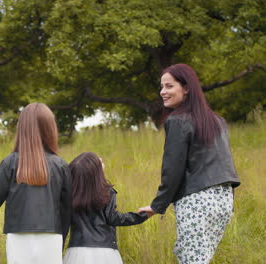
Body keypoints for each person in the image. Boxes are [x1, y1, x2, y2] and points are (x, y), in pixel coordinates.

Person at [138, 64, 241, 264]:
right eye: (161, 87)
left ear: (186, 88)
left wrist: (157, 206)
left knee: (192, 260)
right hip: (224, 201)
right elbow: (225, 163)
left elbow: (172, 170)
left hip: (197, 202)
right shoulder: (218, 120)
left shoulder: (177, 120)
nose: (163, 92)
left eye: (169, 86)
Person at [0, 103, 72, 264]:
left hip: (18, 238)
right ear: (50, 128)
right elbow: (67, 211)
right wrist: (60, 239)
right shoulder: (61, 165)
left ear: (22, 128)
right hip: (52, 237)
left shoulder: (10, 163)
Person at [63, 152, 148, 264]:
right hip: (104, 252)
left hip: (76, 250)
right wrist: (142, 215)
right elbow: (113, 218)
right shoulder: (106, 192)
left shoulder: (69, 195)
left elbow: (63, 223)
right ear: (95, 172)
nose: (102, 160)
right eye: (100, 161)